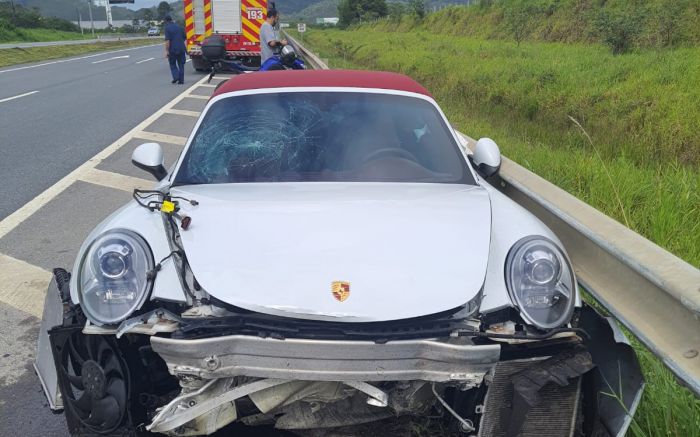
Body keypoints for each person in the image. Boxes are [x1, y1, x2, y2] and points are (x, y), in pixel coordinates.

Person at [164, 15, 187, 84]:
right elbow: (184, 37)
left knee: (172, 64)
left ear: (166, 21)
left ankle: (176, 77)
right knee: (181, 64)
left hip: (172, 49)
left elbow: (167, 41)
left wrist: (167, 51)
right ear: (172, 19)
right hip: (181, 48)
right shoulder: (180, 27)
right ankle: (181, 80)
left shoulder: (167, 28)